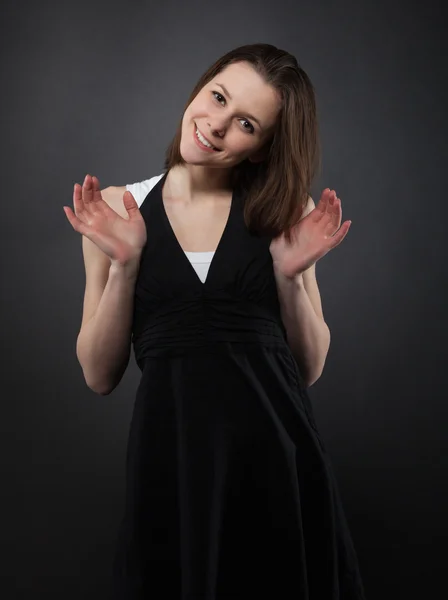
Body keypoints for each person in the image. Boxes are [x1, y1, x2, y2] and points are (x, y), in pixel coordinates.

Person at [64, 43, 366, 599]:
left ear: (261, 148)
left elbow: (310, 369)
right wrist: (126, 265)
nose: (216, 125)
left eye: (245, 123)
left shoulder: (287, 210)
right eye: (217, 97)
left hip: (279, 465)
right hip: (170, 463)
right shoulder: (114, 206)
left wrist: (289, 277)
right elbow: (99, 375)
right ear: (200, 89)